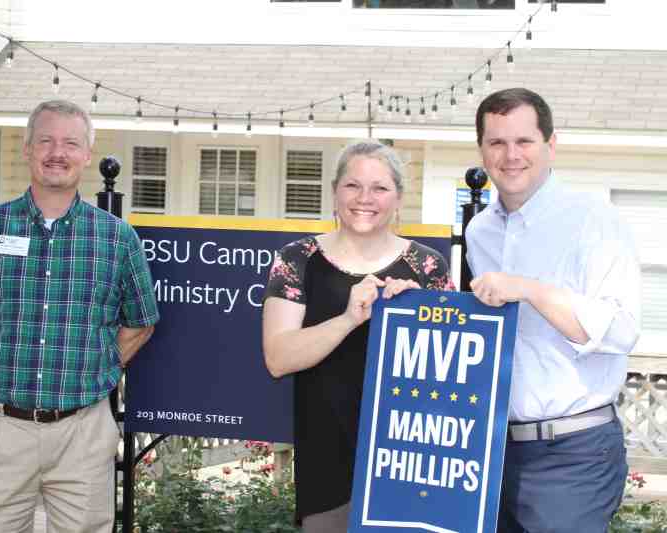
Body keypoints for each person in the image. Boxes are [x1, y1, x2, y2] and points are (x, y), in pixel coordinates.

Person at [0, 99, 159, 532]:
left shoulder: (117, 238)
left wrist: (95, 365)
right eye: (45, 140)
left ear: (86, 154)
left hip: (82, 432)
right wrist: (8, 355)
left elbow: (141, 322)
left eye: (70, 143)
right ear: (27, 149)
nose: (56, 152)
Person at [466, 88, 641, 532]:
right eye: (496, 142)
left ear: (551, 145)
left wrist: (530, 290)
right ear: (482, 150)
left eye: (523, 141)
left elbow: (620, 331)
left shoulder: (594, 221)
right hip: (493, 451)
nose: (510, 155)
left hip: (573, 454)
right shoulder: (479, 231)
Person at [262, 140, 454, 533]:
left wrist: (414, 312)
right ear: (334, 191)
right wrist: (349, 318)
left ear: (398, 198)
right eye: (353, 186)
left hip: (409, 461)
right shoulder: (297, 259)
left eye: (380, 188)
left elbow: (449, 368)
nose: (365, 198)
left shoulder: (429, 266)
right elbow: (278, 358)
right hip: (328, 465)